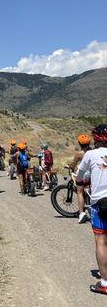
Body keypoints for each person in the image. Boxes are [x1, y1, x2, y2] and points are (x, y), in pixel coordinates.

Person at [76, 125, 107, 294]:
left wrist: (81, 182)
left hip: (99, 203)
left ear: (95, 138)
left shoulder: (91, 154)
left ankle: (104, 283)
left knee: (101, 241)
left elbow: (80, 175)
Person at [68, 134, 94, 223]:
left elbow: (73, 165)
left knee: (80, 192)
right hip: (93, 174)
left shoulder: (79, 154)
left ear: (79, 143)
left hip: (84, 175)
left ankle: (81, 213)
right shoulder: (93, 151)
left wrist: (70, 167)